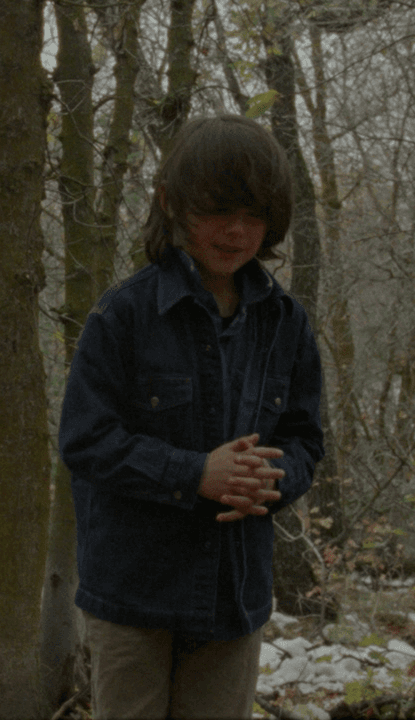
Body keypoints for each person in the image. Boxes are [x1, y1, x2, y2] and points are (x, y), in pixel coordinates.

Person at [58, 114, 325, 719]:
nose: (236, 231)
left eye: (254, 215)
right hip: (133, 594)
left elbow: (305, 439)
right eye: (217, 211)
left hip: (234, 593)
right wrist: (195, 473)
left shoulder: (286, 324)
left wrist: (273, 479)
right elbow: (84, 440)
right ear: (169, 203)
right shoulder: (122, 316)